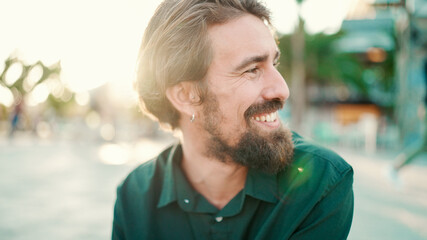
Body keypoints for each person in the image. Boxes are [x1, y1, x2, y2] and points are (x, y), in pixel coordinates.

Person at [112, 0, 354, 239]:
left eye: (274, 62)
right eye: (252, 69)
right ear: (185, 96)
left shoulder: (321, 182)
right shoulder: (135, 197)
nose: (282, 89)